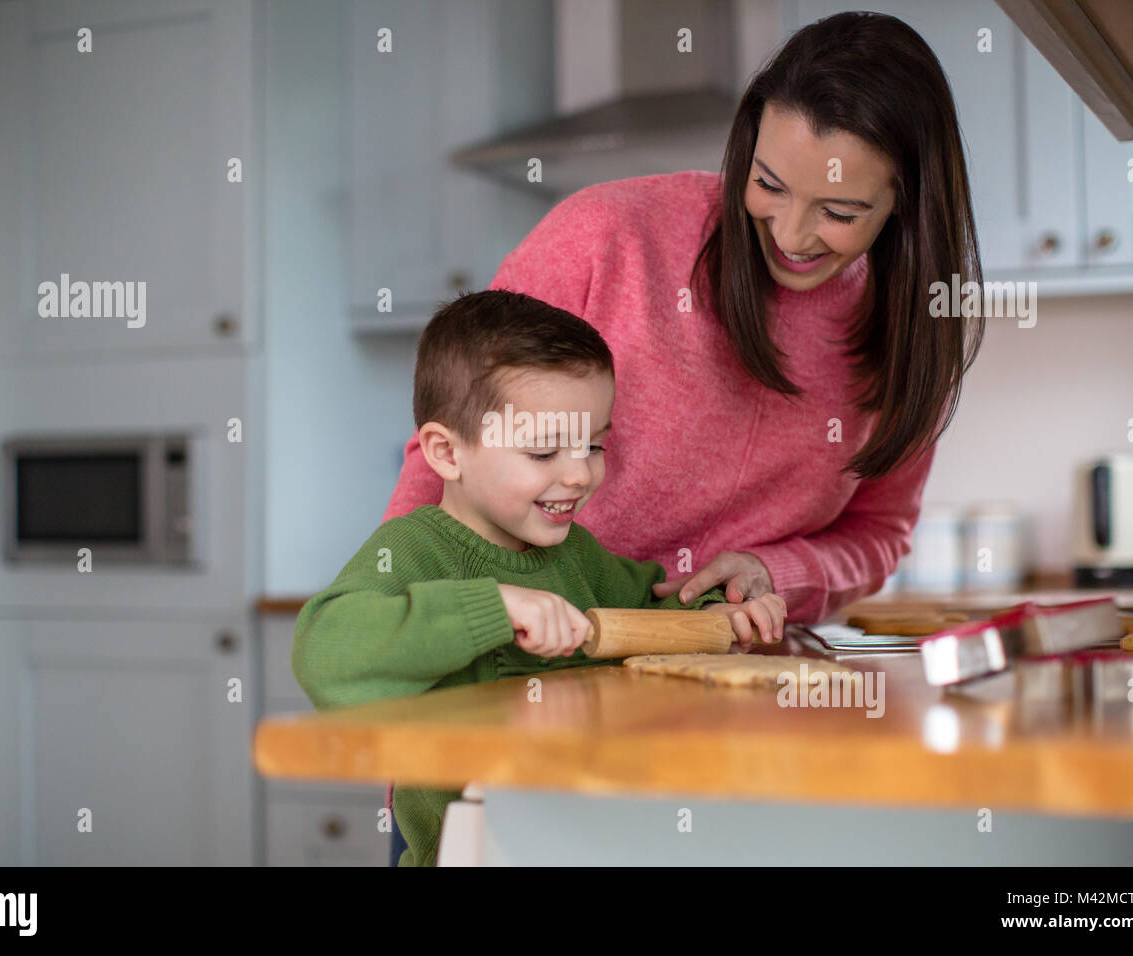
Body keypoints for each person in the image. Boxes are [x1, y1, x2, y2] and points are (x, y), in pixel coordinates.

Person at [383, 11, 984, 626]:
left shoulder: (913, 329)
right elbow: (446, 452)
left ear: (904, 204)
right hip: (534, 655)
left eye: (838, 210)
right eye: (769, 184)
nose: (790, 235)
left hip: (732, 678)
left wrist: (776, 569)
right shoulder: (601, 237)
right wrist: (392, 614)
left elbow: (879, 534)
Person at [292, 290, 787, 867]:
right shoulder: (412, 550)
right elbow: (322, 651)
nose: (579, 473)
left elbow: (651, 613)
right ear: (447, 453)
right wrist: (492, 608)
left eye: (594, 444)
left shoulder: (578, 556)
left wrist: (715, 616)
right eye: (544, 451)